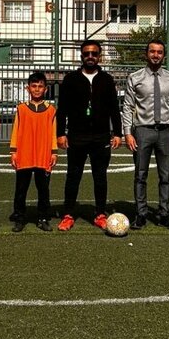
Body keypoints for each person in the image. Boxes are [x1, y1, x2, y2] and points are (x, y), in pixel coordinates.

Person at [56, 40, 122, 231]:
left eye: (94, 53)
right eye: (87, 54)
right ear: (81, 56)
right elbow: (62, 109)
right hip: (77, 136)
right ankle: (68, 214)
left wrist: (117, 133)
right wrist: (61, 133)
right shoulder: (71, 79)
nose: (90, 57)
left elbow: (114, 109)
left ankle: (100, 213)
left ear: (99, 56)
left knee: (100, 176)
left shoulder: (107, 79)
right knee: (73, 176)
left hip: (101, 137)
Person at [123, 39, 169, 230]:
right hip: (142, 131)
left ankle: (164, 214)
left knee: (165, 176)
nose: (156, 55)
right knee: (140, 175)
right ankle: (140, 215)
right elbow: (127, 106)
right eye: (152, 51)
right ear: (146, 54)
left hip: (166, 131)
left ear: (164, 55)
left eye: (159, 52)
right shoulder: (135, 77)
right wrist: (127, 133)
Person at [10, 72, 58, 232]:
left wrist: (54, 152)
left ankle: (43, 217)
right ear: (28, 88)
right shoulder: (21, 109)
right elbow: (16, 130)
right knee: (20, 189)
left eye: (40, 86)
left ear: (45, 89)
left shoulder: (51, 110)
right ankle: (19, 217)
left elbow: (53, 132)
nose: (37, 89)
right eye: (34, 86)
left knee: (43, 190)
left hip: (43, 156)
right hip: (24, 155)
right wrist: (14, 152)